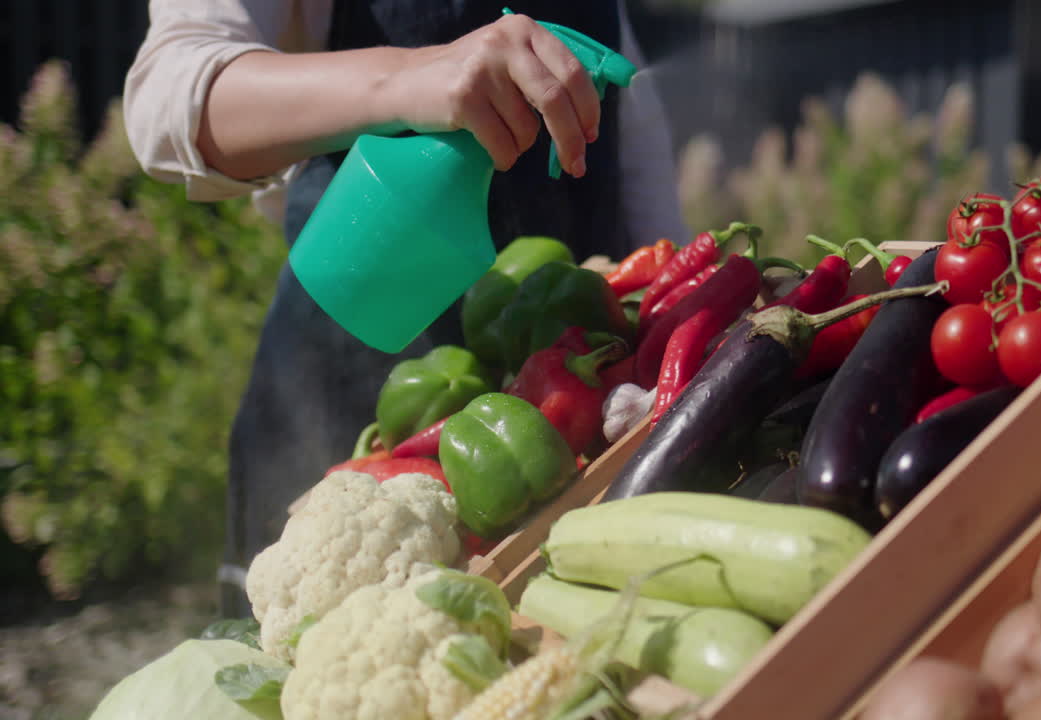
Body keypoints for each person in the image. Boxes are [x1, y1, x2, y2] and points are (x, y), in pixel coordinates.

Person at [122, 0, 688, 617]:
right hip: (347, 409)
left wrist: (675, 304)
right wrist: (412, 77)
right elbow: (167, 95)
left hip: (575, 417)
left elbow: (636, 143)